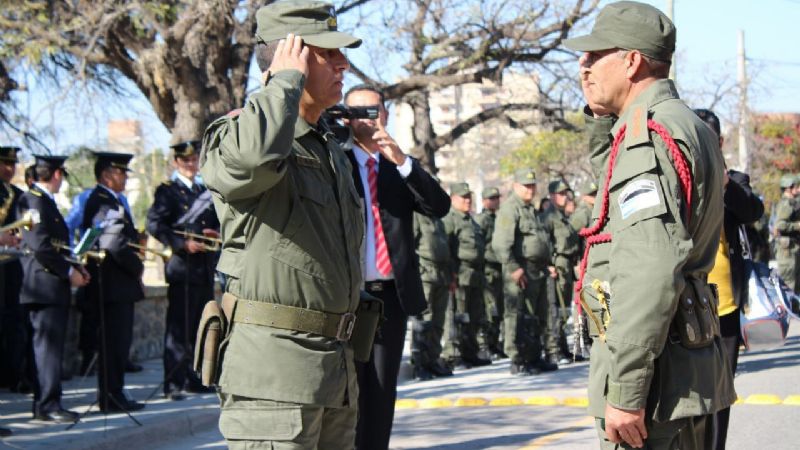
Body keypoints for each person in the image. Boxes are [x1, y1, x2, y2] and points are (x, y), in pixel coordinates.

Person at [564, 2, 735, 448]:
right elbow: (614, 204)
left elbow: (648, 268)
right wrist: (602, 118)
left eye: (594, 55)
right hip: (680, 367)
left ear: (632, 61)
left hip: (659, 385)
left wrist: (625, 389)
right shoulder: (681, 123)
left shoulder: (650, 135)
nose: (584, 67)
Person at [199, 2, 366, 447]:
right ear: (290, 55)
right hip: (274, 380)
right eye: (327, 53)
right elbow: (250, 163)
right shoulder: (239, 135)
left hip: (332, 373)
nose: (342, 63)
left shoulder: (326, 146)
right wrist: (283, 83)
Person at [343, 84, 449, 449]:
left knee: (382, 390)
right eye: (357, 112)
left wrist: (402, 161)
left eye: (373, 111)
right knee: (347, 390)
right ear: (346, 118)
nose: (367, 119)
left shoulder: (396, 167)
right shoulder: (336, 163)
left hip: (390, 297)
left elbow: (439, 206)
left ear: (385, 115)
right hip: (347, 295)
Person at [695, 108, 764, 450]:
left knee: (722, 394)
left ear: (719, 142)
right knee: (692, 394)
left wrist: (722, 182)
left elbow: (753, 211)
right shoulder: (682, 178)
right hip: (688, 307)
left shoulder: (734, 181)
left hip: (725, 305)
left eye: (708, 139)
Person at [18, 154, 90, 422]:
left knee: (51, 350)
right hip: (43, 286)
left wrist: (76, 267)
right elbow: (40, 246)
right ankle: (47, 405)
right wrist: (68, 271)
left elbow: (57, 246)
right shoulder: (33, 201)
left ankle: (48, 402)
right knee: (46, 350)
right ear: (57, 174)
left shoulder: (44, 201)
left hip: (51, 285)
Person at [146, 141, 219, 401]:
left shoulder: (204, 189)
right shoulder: (167, 191)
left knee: (199, 328)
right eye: (186, 160)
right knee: (178, 329)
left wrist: (215, 233)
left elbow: (215, 221)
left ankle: (194, 377)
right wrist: (181, 243)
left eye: (194, 160)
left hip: (204, 268)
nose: (191, 165)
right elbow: (154, 224)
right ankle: (173, 382)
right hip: (181, 268)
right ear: (177, 162)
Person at [80, 152, 146, 413]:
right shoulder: (102, 201)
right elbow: (111, 241)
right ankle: (111, 396)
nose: (125, 178)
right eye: (121, 173)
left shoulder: (111, 200)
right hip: (112, 286)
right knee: (114, 345)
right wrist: (137, 265)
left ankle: (114, 393)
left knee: (119, 344)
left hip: (117, 286)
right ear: (107, 174)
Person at [493, 168, 558, 376]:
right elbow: (501, 243)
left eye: (532, 185)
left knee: (536, 316)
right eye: (526, 186)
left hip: (536, 270)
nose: (531, 189)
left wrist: (546, 262)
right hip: (520, 269)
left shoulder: (531, 209)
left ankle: (533, 355)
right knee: (517, 314)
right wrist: (513, 268)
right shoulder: (510, 209)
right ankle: (517, 358)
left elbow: (539, 241)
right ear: (515, 187)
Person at [442, 182, 491, 368]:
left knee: (474, 316)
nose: (467, 200)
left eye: (469, 197)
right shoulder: (450, 220)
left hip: (476, 274)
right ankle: (454, 355)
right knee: (458, 316)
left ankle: (470, 352)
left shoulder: (471, 220)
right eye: (463, 197)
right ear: (453, 198)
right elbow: (447, 249)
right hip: (460, 273)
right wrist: (452, 274)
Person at [411, 209, 454, 380]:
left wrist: (451, 274)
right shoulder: (416, 216)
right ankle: (420, 363)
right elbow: (409, 243)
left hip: (442, 275)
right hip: (425, 275)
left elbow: (446, 248)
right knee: (424, 320)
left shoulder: (438, 217)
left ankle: (433, 360)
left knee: (438, 321)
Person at [542, 179, 581, 365]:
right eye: (561, 193)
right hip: (556, 266)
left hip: (566, 266)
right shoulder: (548, 217)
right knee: (554, 310)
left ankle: (563, 347)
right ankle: (553, 349)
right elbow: (543, 242)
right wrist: (548, 264)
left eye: (566, 193)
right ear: (552, 196)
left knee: (564, 309)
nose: (565, 196)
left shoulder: (563, 217)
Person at [0, 147, 29, 395]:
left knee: (16, 321)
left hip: (12, 265)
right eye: (4, 164)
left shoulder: (17, 195)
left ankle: (16, 374)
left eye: (13, 164)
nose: (10, 169)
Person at [476, 186, 506, 359]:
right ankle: (485, 344)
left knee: (499, 310)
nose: (496, 201)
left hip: (499, 269)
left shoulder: (499, 218)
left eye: (497, 198)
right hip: (488, 269)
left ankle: (494, 343)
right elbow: (480, 246)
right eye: (492, 198)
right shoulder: (482, 220)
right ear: (485, 201)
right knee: (490, 310)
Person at [775, 174, 799, 291]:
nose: (798, 189)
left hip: (793, 247)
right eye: (796, 187)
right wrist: (797, 225)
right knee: (789, 285)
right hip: (787, 251)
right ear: (789, 188)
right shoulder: (786, 204)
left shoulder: (793, 202)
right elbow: (780, 225)